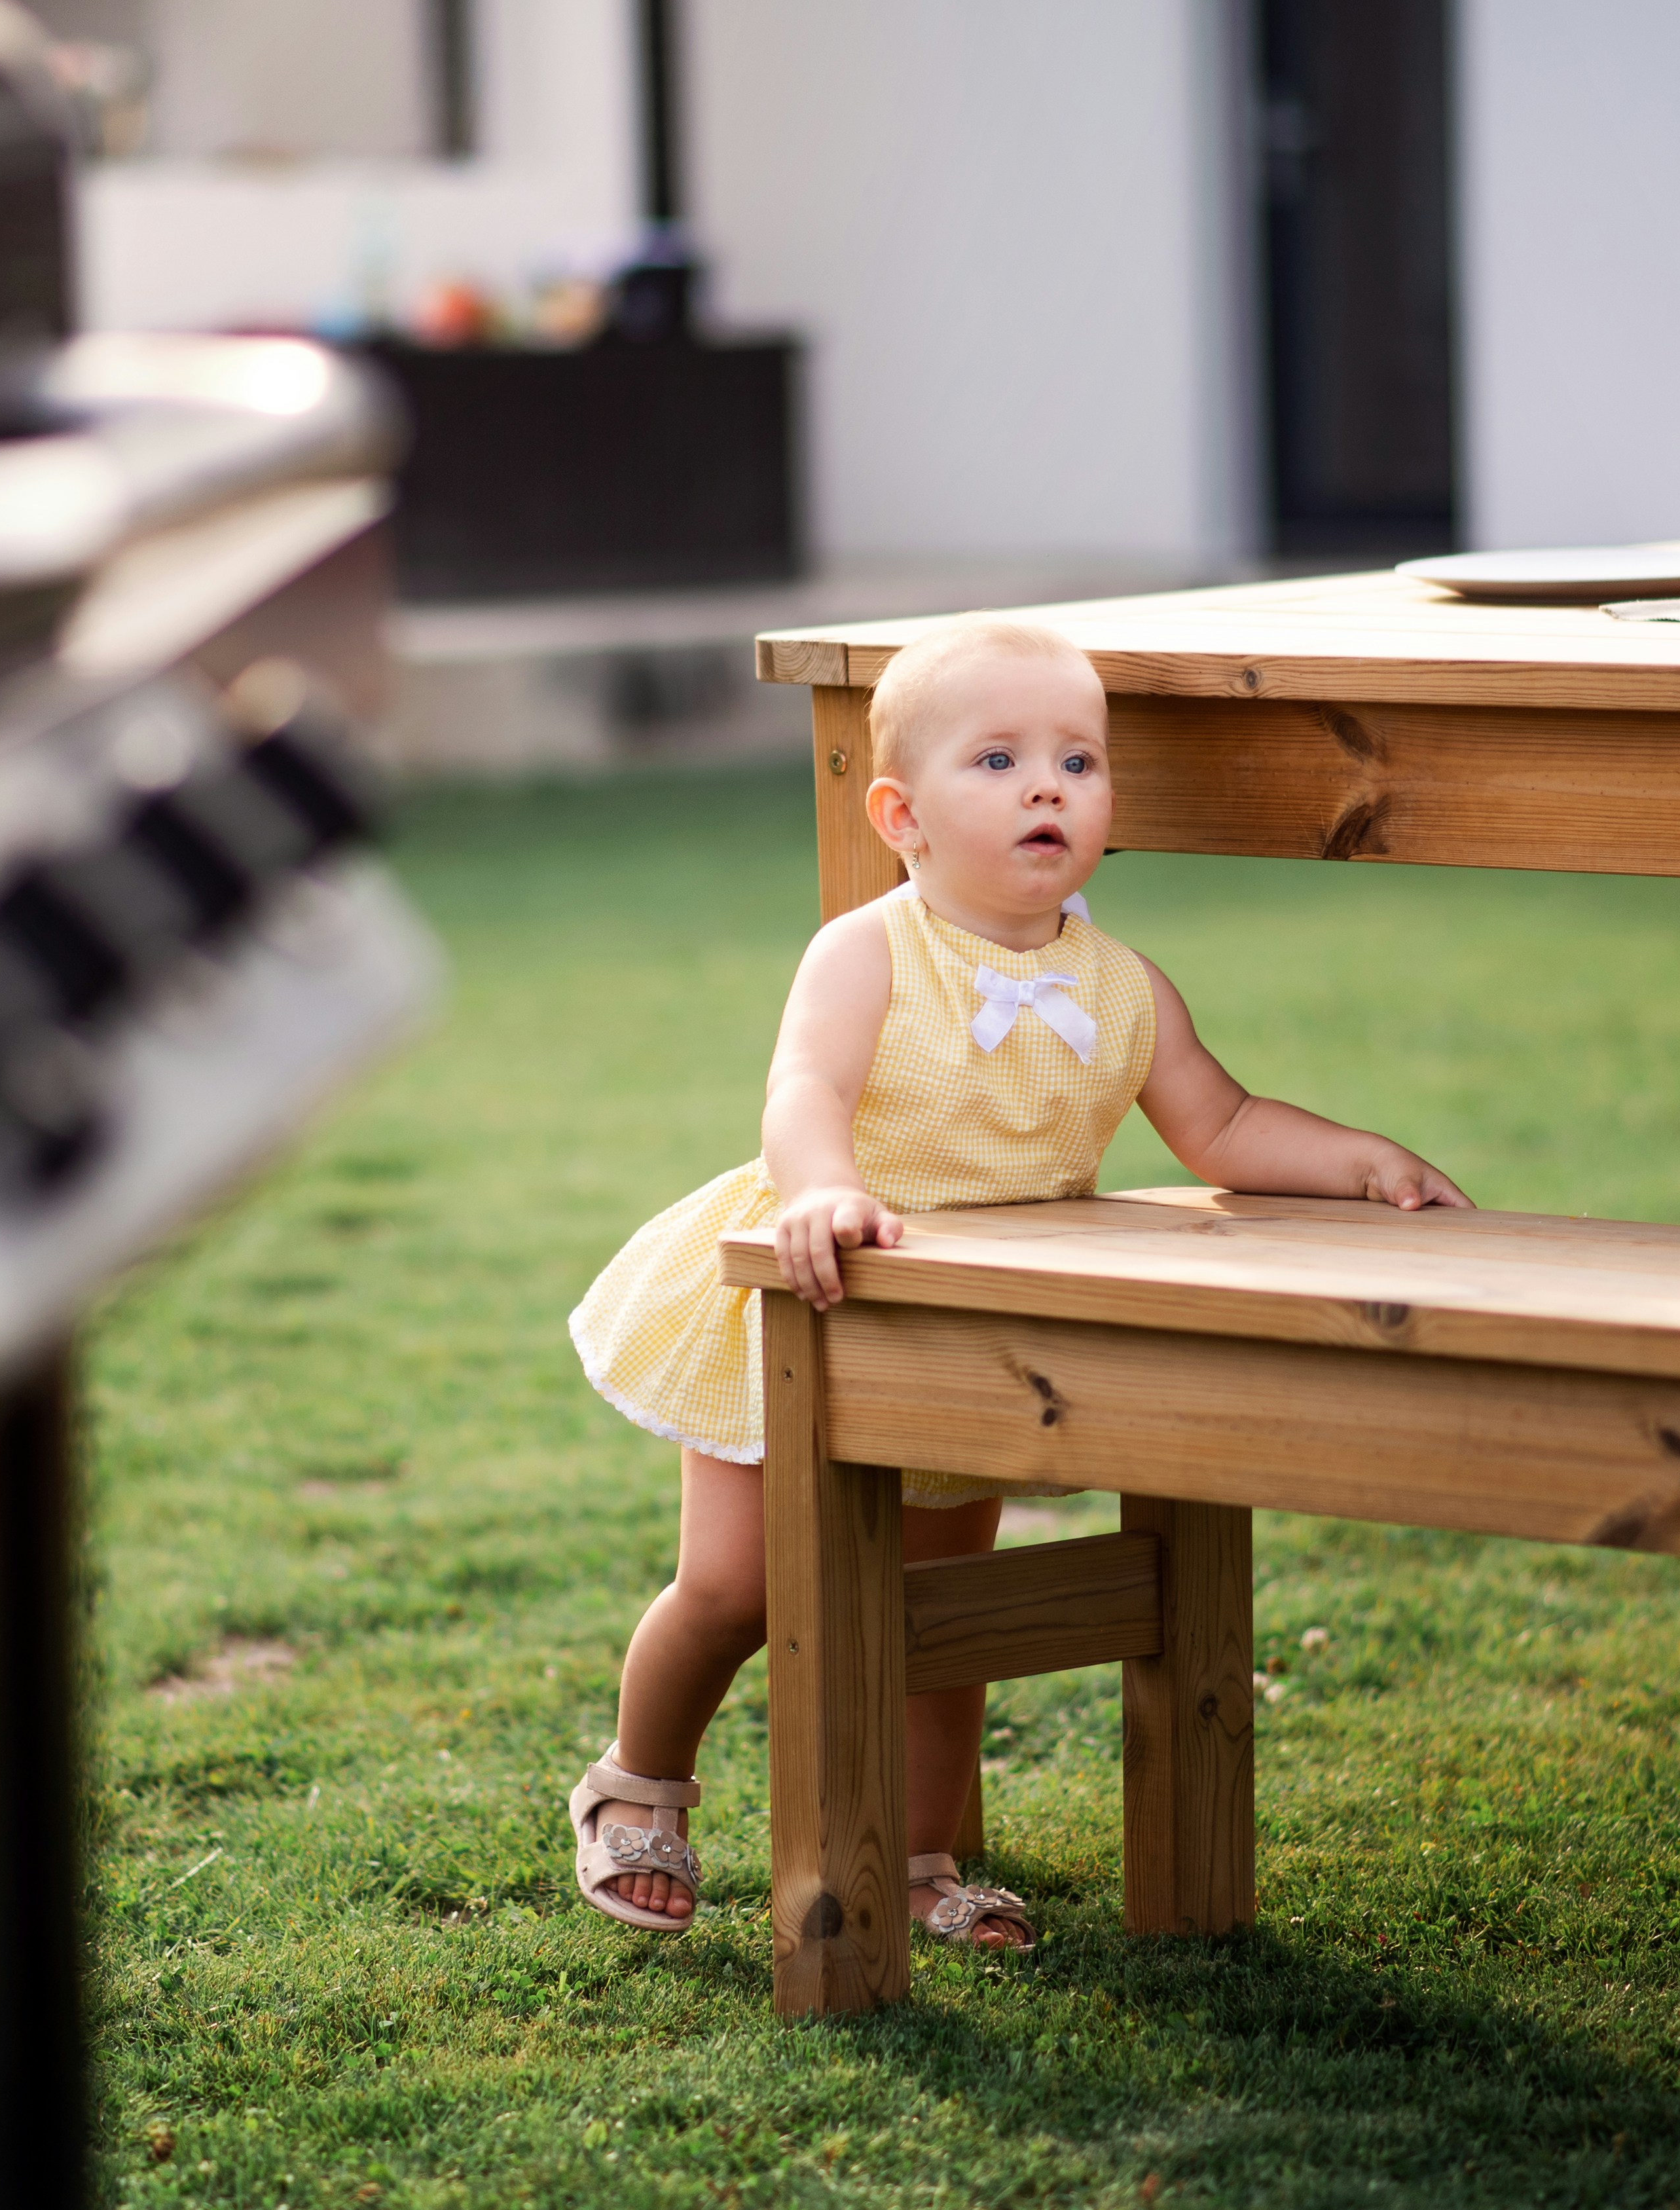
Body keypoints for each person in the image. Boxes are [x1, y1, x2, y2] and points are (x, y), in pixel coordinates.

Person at [562, 615, 1472, 1947]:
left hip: (972, 1332)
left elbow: (1220, 1124)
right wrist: (822, 1187)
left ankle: (921, 1857)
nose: (1046, 785)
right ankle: (637, 1782)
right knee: (736, 1587)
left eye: (1076, 761)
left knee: (941, 1622)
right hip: (821, 1292)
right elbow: (803, 1090)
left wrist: (1359, 1159)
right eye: (996, 760)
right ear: (901, 815)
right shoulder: (870, 950)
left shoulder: (1122, 985)